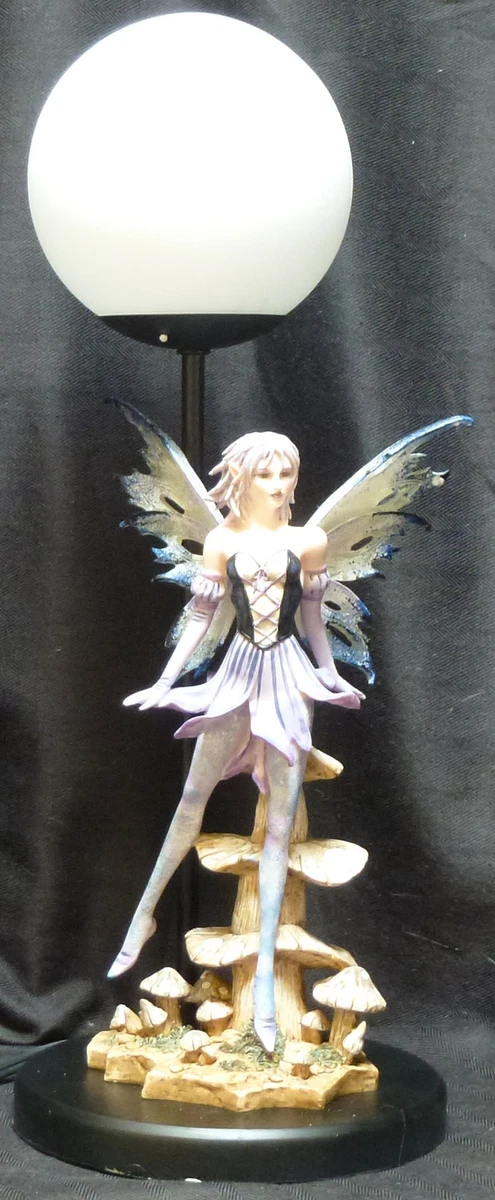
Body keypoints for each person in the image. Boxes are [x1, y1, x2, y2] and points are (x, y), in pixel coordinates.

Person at [108, 431, 364, 1051]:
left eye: (285, 474)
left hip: (289, 678)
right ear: (243, 479)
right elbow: (201, 618)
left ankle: (267, 986)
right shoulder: (221, 541)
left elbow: (312, 617)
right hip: (237, 674)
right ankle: (143, 915)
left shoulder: (309, 540)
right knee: (191, 799)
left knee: (279, 825)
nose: (277, 486)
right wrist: (165, 681)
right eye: (265, 475)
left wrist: (329, 673)